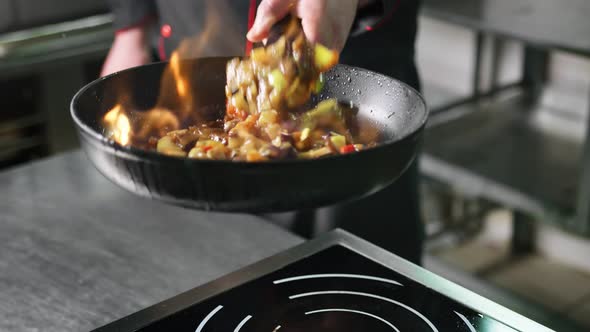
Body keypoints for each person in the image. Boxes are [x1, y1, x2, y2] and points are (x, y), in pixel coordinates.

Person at [101, 0, 424, 264]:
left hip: (349, 82)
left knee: (353, 271)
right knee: (205, 272)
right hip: (190, 66)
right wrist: (131, 29)